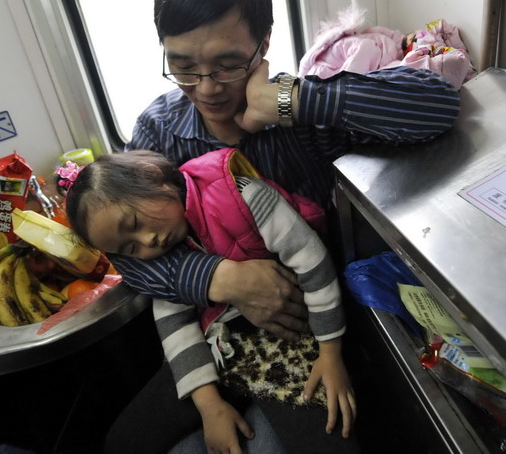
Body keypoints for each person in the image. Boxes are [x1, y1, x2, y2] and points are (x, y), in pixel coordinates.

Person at [118, 0, 463, 341]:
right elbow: (120, 249)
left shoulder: (302, 120)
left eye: (227, 64)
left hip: (333, 315)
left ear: (263, 44)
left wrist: (291, 100)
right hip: (226, 328)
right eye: (182, 67)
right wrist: (223, 279)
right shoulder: (158, 130)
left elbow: (438, 104)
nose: (207, 87)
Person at [65, 149, 359, 454]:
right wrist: (209, 405)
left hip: (292, 334)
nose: (147, 242)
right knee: (123, 442)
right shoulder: (164, 248)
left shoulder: (244, 196)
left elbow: (314, 263)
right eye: (130, 248)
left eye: (136, 222)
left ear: (150, 176)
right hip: (220, 345)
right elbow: (174, 323)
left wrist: (331, 354)